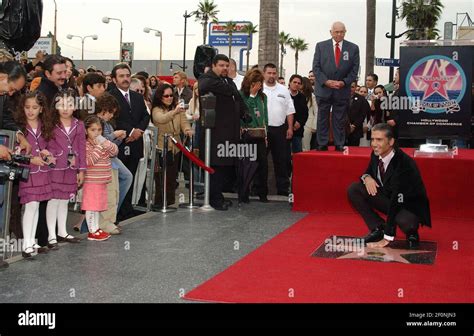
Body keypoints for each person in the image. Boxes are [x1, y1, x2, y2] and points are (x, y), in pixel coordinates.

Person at [347, 123, 431, 249]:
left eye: (379, 140)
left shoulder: (404, 163)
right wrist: (367, 177)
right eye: (373, 139)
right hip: (389, 198)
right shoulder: (376, 154)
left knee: (406, 221)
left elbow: (397, 200)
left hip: (407, 205)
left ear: (391, 141)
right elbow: (368, 171)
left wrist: (388, 237)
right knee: (354, 189)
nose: (374, 144)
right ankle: (378, 228)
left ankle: (412, 233)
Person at [198, 54, 249, 210]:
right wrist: (229, 89)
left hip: (230, 133)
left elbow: (239, 99)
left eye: (227, 66)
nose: (225, 68)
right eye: (221, 65)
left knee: (225, 167)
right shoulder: (207, 79)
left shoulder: (228, 81)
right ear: (213, 66)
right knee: (215, 167)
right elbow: (207, 86)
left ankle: (218, 195)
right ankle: (214, 199)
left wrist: (245, 114)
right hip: (214, 134)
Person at [14, 92, 55, 258]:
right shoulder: (20, 128)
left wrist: (47, 154)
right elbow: (17, 152)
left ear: (41, 109)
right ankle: (26, 244)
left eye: (34, 107)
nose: (30, 111)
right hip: (28, 172)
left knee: (37, 205)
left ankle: (32, 241)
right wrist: (32, 159)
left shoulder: (43, 125)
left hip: (42, 172)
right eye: (27, 107)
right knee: (30, 206)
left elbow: (46, 146)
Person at [109, 63, 150, 220]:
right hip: (119, 144)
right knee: (119, 180)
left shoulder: (137, 97)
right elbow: (113, 118)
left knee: (131, 177)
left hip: (136, 143)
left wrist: (138, 131)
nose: (125, 79)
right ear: (114, 79)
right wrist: (131, 131)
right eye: (121, 76)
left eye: (127, 75)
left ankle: (126, 210)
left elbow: (146, 116)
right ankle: (115, 213)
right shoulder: (111, 96)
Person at [312, 21, 360, 151]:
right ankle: (322, 143)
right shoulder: (321, 46)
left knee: (339, 118)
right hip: (324, 89)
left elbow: (354, 70)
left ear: (345, 32)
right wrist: (326, 81)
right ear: (331, 32)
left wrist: (344, 82)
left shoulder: (353, 48)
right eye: (336, 32)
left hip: (342, 89)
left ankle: (339, 142)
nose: (339, 34)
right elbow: (316, 68)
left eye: (341, 32)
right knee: (323, 116)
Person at [94, 93, 131, 234]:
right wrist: (115, 135)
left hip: (110, 158)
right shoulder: (96, 123)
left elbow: (111, 145)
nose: (111, 116)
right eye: (110, 113)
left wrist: (119, 138)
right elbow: (100, 140)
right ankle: (106, 219)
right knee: (111, 191)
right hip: (104, 160)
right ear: (104, 109)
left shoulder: (107, 124)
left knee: (120, 184)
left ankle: (109, 216)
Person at [151, 83, 193, 207]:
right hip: (162, 146)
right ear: (160, 97)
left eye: (171, 95)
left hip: (176, 146)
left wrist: (187, 130)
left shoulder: (177, 109)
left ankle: (170, 201)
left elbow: (184, 122)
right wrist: (174, 112)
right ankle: (160, 203)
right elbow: (161, 119)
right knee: (161, 178)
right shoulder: (156, 109)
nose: (169, 98)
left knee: (172, 176)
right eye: (166, 96)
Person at [82, 115, 118, 241]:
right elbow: (89, 160)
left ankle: (96, 228)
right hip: (92, 181)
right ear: (86, 131)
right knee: (91, 206)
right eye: (92, 130)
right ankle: (92, 231)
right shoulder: (85, 145)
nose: (96, 133)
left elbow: (114, 151)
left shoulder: (103, 142)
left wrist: (105, 142)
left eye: (99, 130)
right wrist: (98, 147)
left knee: (97, 206)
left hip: (102, 180)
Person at [263, 63, 295, 196]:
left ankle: (282, 190)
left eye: (274, 73)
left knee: (281, 161)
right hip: (262, 130)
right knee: (261, 160)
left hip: (280, 130)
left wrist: (290, 128)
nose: (272, 76)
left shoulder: (283, 90)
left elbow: (290, 110)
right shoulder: (259, 88)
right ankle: (259, 190)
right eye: (269, 73)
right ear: (264, 73)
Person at [239, 68, 269, 203]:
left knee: (263, 165)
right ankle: (244, 193)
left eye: (260, 83)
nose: (259, 85)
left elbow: (265, 116)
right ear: (249, 83)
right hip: (247, 134)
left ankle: (262, 193)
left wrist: (266, 133)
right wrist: (251, 94)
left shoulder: (263, 97)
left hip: (260, 134)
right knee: (247, 165)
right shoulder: (241, 95)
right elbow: (245, 111)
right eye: (256, 82)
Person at [288, 74, 308, 154]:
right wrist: (293, 123)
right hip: (286, 130)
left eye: (299, 83)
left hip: (298, 131)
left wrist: (299, 123)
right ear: (289, 83)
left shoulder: (302, 97)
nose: (296, 84)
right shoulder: (285, 95)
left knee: (298, 154)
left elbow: (305, 113)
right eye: (294, 82)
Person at [347, 81, 370, 146]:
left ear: (355, 87)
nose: (350, 89)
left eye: (352, 87)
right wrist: (347, 125)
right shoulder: (341, 98)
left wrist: (353, 126)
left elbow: (362, 115)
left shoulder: (362, 99)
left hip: (356, 130)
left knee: (354, 152)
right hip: (343, 129)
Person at [301, 77, 318, 151]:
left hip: (308, 124)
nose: (298, 85)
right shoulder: (296, 94)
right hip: (297, 124)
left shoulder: (312, 96)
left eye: (300, 83)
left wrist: (314, 126)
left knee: (305, 146)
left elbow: (317, 111)